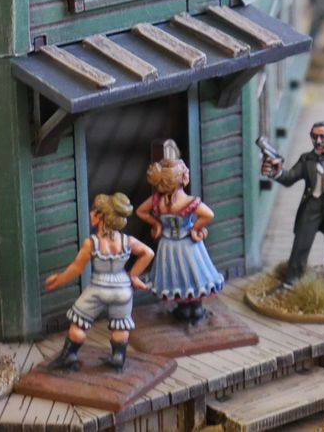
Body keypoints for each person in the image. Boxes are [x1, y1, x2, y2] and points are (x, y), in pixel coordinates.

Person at [45, 193, 154, 371]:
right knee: (120, 324)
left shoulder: (92, 243)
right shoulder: (127, 241)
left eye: (93, 211)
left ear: (100, 216)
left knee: (79, 322)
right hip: (122, 289)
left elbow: (77, 267)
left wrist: (59, 279)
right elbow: (148, 253)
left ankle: (69, 355)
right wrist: (133, 275)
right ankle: (118, 357)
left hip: (98, 287)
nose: (90, 214)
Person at [136, 139, 224, 323]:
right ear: (182, 178)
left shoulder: (157, 201)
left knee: (176, 275)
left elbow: (140, 211)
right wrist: (195, 228)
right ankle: (193, 308)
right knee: (193, 274)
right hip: (187, 244)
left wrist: (157, 224)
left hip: (168, 245)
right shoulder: (189, 202)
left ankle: (184, 308)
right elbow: (208, 214)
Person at [262, 121, 324, 286]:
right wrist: (275, 172)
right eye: (314, 137)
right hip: (311, 208)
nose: (318, 141)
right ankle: (293, 280)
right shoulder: (306, 159)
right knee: (301, 243)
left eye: (323, 136)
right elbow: (290, 178)